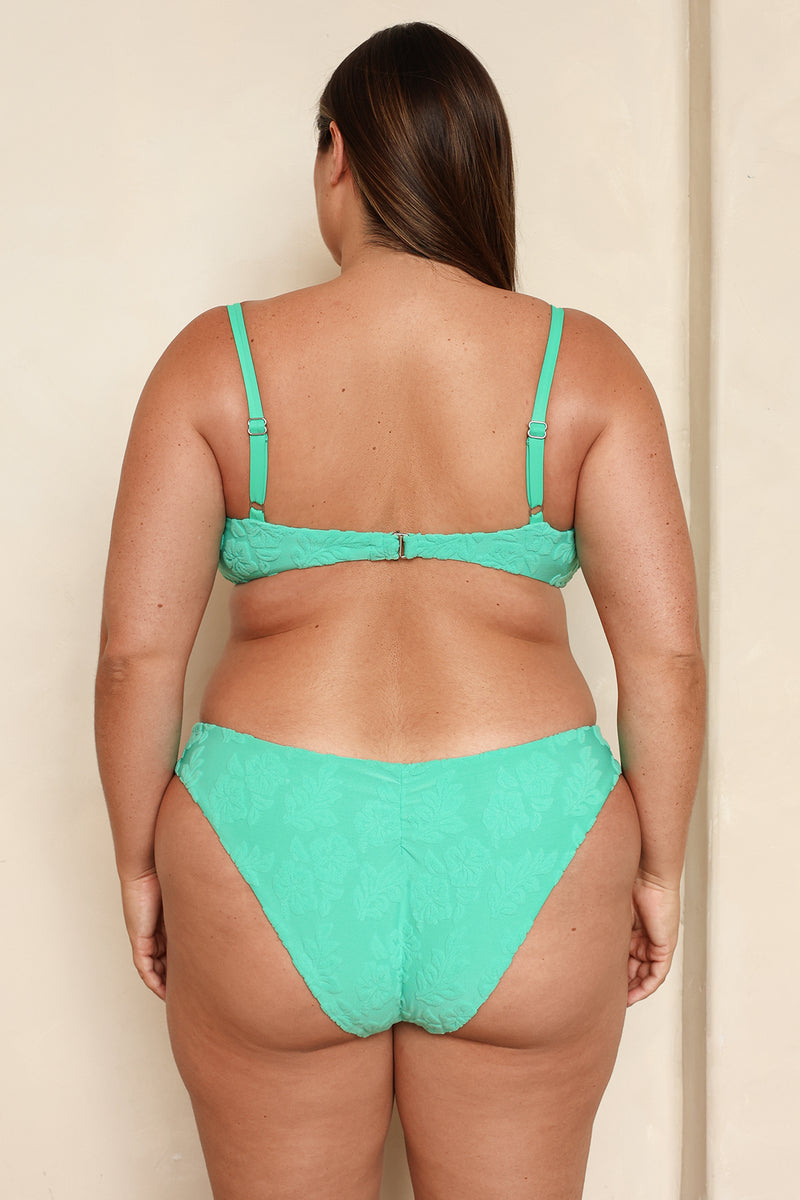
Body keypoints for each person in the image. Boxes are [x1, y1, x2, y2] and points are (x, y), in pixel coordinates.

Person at [95, 21, 705, 1200]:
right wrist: (658, 870)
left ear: (336, 154)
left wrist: (134, 865)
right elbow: (665, 661)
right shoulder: (582, 366)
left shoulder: (215, 362)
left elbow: (135, 659)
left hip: (267, 838)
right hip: (527, 843)